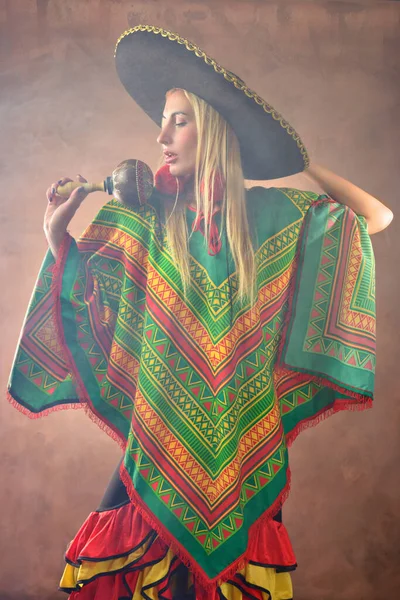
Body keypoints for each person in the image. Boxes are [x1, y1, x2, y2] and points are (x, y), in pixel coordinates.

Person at [7, 25, 393, 600]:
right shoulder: (145, 218)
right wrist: (57, 234)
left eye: (179, 120)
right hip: (156, 444)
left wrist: (299, 160)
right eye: (162, 120)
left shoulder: (271, 218)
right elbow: (91, 306)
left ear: (214, 130)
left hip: (241, 457)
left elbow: (375, 217)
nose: (161, 136)